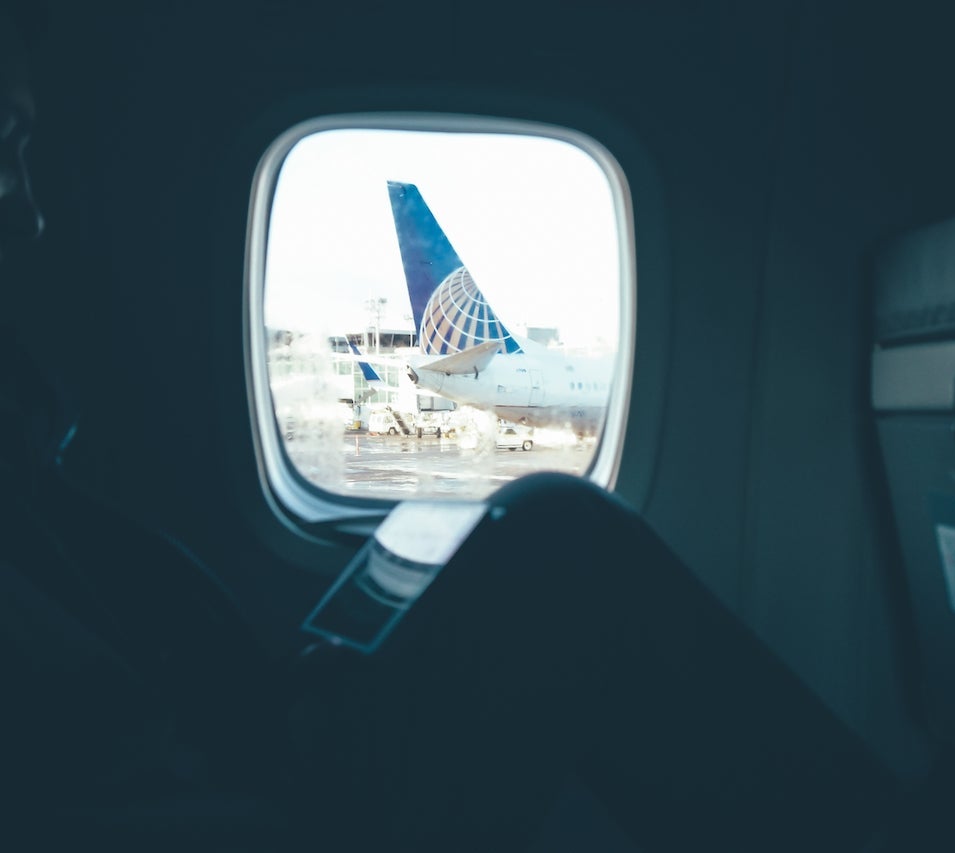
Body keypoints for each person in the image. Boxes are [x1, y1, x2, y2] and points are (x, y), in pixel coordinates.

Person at [0, 5, 903, 850]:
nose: (33, 211)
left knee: (546, 533)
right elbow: (93, 759)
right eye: (7, 147)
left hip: (258, 751)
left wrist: (290, 688)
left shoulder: (23, 445)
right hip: (236, 807)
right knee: (561, 549)